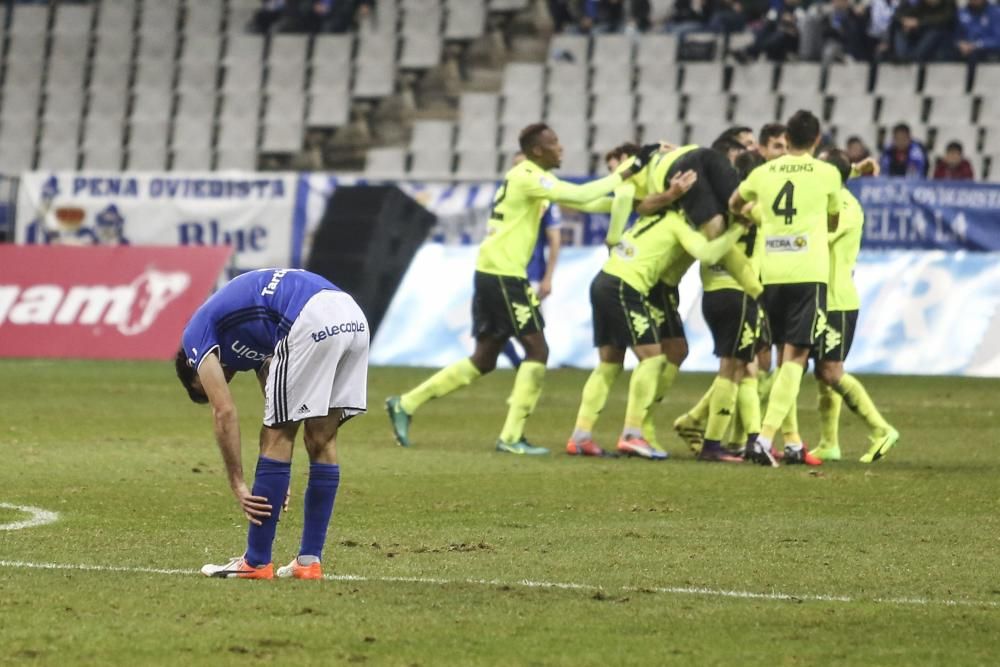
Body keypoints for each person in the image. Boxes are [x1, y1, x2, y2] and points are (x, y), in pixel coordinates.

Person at [385, 124, 658, 455]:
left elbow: (590, 204)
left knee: (484, 359)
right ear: (538, 150)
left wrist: (634, 202)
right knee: (538, 351)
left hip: (492, 273)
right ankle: (511, 437)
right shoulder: (528, 176)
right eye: (554, 143)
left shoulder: (531, 179)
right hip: (504, 277)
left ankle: (406, 403)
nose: (561, 148)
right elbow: (583, 195)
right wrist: (632, 168)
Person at [177, 268, 369, 579]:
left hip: (310, 318)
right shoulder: (249, 339)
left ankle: (255, 562)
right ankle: (308, 563)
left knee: (275, 436)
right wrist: (277, 478)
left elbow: (224, 411)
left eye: (206, 380)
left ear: (192, 363)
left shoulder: (196, 333)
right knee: (321, 439)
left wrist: (238, 483)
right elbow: (276, 395)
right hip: (352, 317)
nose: (222, 379)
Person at [566, 167, 749, 459]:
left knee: (610, 363)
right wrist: (739, 227)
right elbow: (710, 255)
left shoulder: (654, 213)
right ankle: (633, 433)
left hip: (604, 279)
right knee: (653, 358)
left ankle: (581, 435)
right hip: (626, 287)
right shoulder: (680, 225)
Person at [728, 109, 841, 467]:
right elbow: (833, 216)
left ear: (786, 139)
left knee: (780, 356)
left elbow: (735, 203)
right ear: (817, 139)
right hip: (808, 272)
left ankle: (791, 441)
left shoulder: (763, 172)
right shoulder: (827, 173)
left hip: (771, 273)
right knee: (797, 358)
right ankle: (764, 438)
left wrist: (751, 215)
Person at [810, 150, 901, 463]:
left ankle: (881, 429)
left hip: (838, 301)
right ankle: (829, 443)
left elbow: (818, 237)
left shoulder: (846, 206)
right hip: (825, 298)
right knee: (821, 372)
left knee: (832, 371)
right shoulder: (832, 197)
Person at [502, 152, 563, 368]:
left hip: (531, 275)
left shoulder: (543, 199)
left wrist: (548, 278)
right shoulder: (506, 197)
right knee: (496, 327)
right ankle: (521, 368)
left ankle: (526, 374)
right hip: (504, 273)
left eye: (522, 165)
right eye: (514, 166)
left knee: (530, 334)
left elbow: (555, 240)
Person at [892, 0, 958, 63]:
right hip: (920, 36)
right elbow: (899, 15)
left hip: (943, 41)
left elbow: (944, 20)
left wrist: (919, 23)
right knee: (900, 30)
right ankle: (903, 57)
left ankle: (913, 58)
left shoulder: (948, 3)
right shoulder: (920, 4)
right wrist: (905, 21)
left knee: (934, 33)